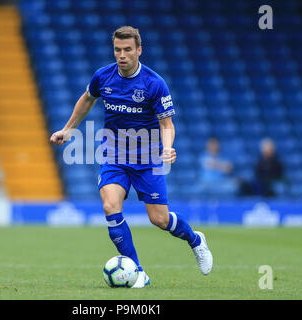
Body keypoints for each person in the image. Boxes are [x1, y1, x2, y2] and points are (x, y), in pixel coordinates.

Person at [50, 26, 212, 288]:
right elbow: (86, 99)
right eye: (117, 49)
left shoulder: (153, 83)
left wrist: (167, 147)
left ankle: (196, 240)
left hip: (148, 159)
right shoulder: (103, 77)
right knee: (110, 206)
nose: (122, 55)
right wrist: (68, 129)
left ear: (139, 50)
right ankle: (138, 271)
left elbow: (167, 125)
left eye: (127, 49)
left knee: (159, 219)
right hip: (114, 155)